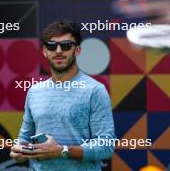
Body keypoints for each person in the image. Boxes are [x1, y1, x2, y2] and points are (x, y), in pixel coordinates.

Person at [10, 20, 116, 171]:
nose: (58, 50)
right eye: (52, 46)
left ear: (77, 50)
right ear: (45, 51)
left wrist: (61, 151)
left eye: (66, 45)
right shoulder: (34, 91)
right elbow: (23, 141)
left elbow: (106, 147)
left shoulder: (95, 90)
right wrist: (19, 151)